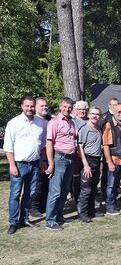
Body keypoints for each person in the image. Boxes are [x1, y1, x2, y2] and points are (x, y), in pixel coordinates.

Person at [4, 96, 46, 234]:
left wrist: (42, 161)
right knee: (15, 194)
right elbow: (8, 147)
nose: (30, 108)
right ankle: (13, 222)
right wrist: (12, 165)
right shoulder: (14, 123)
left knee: (30, 193)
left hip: (34, 164)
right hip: (19, 164)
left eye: (32, 106)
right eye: (27, 106)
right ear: (22, 106)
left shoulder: (41, 123)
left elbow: (44, 144)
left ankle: (24, 219)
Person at [45, 97, 77, 231]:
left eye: (69, 107)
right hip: (59, 158)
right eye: (65, 107)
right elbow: (49, 143)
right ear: (60, 107)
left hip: (70, 158)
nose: (67, 109)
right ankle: (50, 220)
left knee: (64, 191)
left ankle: (59, 216)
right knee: (55, 191)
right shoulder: (54, 122)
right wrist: (51, 163)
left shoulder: (72, 122)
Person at [77, 107, 103, 223]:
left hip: (97, 160)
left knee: (93, 188)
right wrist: (85, 165)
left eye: (97, 114)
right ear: (88, 114)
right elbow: (80, 147)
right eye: (92, 114)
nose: (95, 116)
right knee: (86, 189)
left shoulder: (98, 128)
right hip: (88, 160)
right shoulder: (84, 129)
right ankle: (82, 213)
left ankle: (91, 210)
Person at [30, 97, 51, 218]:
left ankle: (43, 206)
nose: (44, 108)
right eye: (41, 106)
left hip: (49, 156)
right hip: (39, 157)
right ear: (36, 107)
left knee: (46, 181)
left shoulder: (49, 119)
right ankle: (33, 207)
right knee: (38, 183)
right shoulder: (34, 120)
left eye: (45, 105)